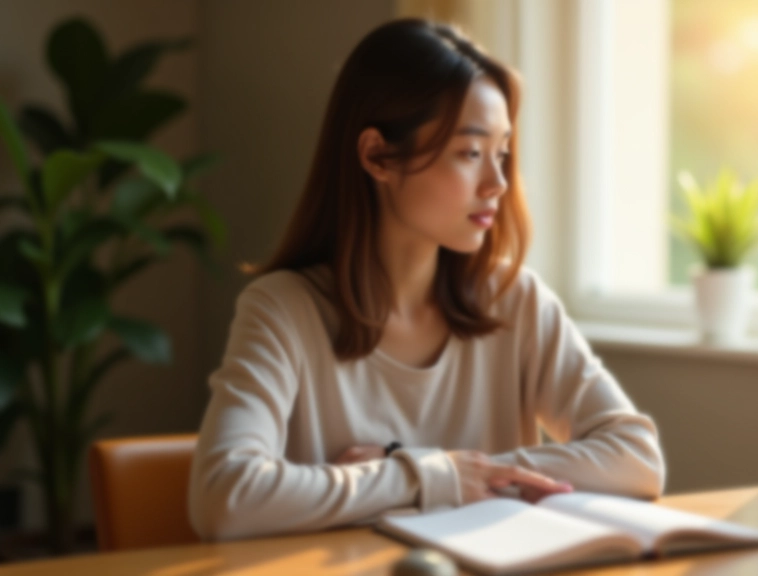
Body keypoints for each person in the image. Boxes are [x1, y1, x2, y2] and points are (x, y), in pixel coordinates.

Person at [188, 18, 665, 542]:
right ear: (377, 156)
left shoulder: (516, 299)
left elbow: (638, 459)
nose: (498, 183)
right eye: (470, 153)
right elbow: (223, 497)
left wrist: (437, 471)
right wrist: (439, 477)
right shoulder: (282, 309)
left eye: (502, 154)